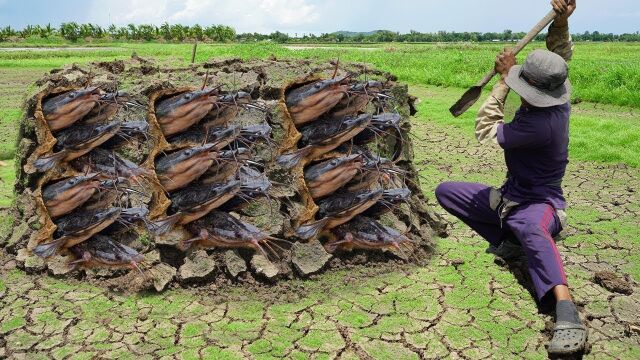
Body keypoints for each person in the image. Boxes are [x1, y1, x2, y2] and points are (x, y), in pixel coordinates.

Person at [434, 0, 587, 355]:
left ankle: (566, 310)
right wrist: (561, 21)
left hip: (541, 204)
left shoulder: (540, 126)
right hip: (509, 197)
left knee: (532, 227)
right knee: (447, 192)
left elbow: (485, 127)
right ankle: (512, 240)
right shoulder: (556, 98)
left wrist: (503, 82)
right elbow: (559, 54)